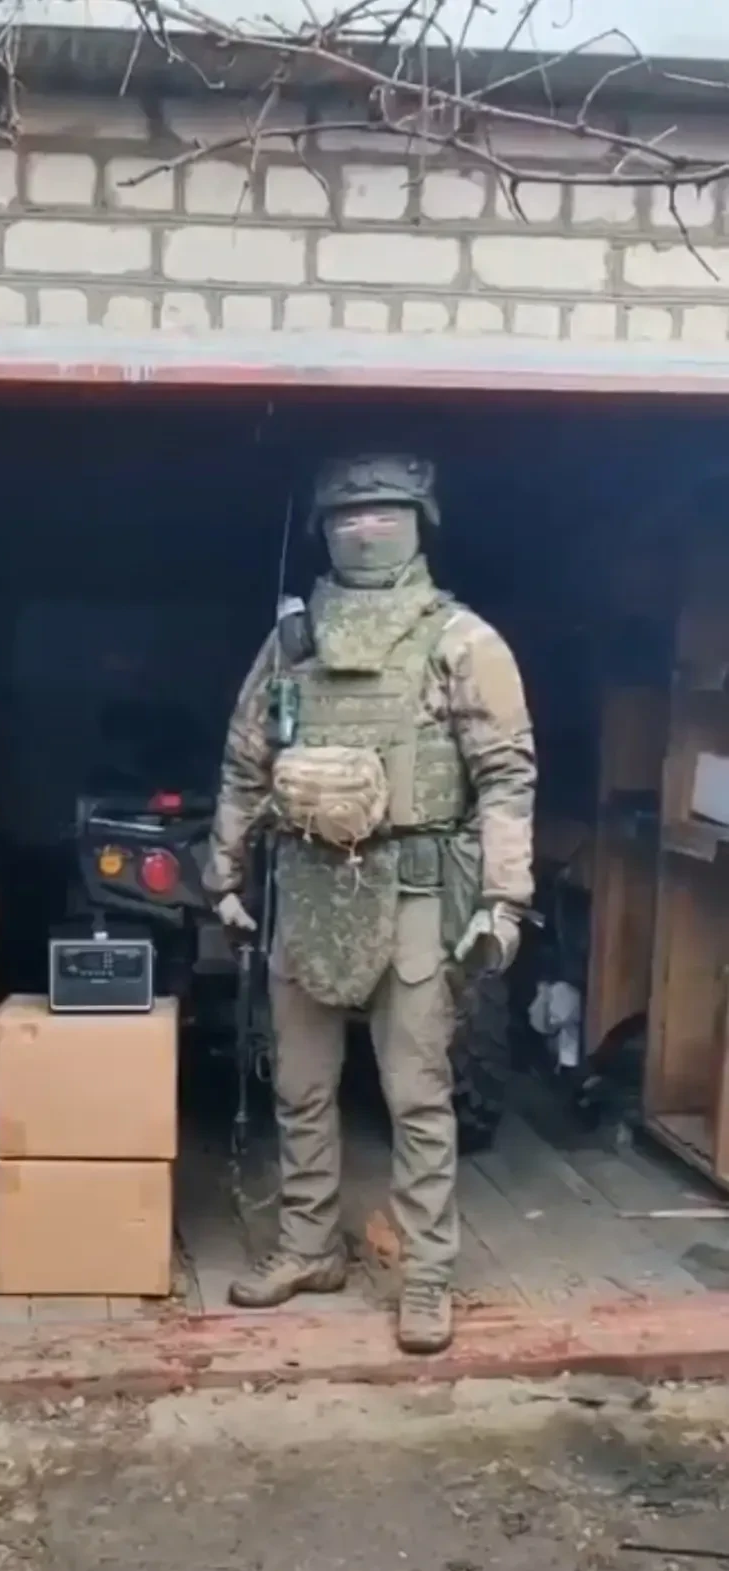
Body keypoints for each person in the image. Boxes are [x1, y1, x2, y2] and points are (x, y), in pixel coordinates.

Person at [204, 454, 536, 1353]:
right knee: (298, 1084)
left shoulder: (460, 640)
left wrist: (502, 898)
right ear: (322, 530)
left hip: (415, 890)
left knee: (416, 1094)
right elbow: (244, 760)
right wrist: (223, 875)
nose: (363, 528)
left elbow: (505, 776)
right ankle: (307, 1245)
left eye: (384, 512)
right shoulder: (292, 643)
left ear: (419, 523)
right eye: (345, 516)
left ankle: (426, 1273)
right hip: (306, 886)